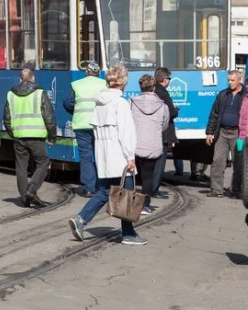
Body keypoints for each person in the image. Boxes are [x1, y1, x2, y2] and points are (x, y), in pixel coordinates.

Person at [68, 64, 146, 246]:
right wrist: (130, 157)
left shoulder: (100, 102)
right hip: (119, 155)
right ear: (123, 81)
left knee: (104, 191)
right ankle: (128, 234)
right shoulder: (121, 103)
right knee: (126, 194)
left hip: (103, 155)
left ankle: (81, 219)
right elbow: (126, 133)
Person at [4, 68, 57, 208]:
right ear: (33, 78)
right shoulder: (39, 93)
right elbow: (49, 116)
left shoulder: (11, 94)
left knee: (21, 167)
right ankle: (31, 191)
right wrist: (52, 136)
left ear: (20, 79)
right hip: (36, 136)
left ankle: (24, 199)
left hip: (19, 136)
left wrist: (13, 133)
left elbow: (6, 119)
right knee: (43, 162)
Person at [63, 61, 104, 198]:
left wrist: (76, 112)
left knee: (86, 156)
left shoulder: (77, 84)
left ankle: (88, 188)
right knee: (100, 155)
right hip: (99, 125)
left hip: (81, 125)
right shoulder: (104, 85)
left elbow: (68, 103)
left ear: (86, 71)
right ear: (98, 72)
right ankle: (102, 186)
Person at [131, 74, 169, 216]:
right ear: (154, 87)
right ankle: (145, 205)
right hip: (153, 144)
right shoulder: (163, 106)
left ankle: (130, 202)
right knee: (148, 176)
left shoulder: (132, 102)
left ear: (141, 87)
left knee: (133, 175)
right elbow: (164, 125)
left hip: (135, 144)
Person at [204, 70, 246, 198]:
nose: (230, 82)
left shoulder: (246, 95)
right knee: (217, 160)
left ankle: (236, 190)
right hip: (222, 132)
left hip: (238, 135)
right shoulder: (223, 95)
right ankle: (216, 190)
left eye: (232, 80)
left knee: (238, 162)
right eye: (228, 80)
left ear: (240, 80)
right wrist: (210, 132)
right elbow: (214, 114)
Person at [151, 67, 178, 194]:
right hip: (162, 132)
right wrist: (176, 110)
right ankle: (154, 188)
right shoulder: (163, 93)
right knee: (159, 163)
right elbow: (170, 112)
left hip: (152, 131)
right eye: (169, 79)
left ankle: (150, 187)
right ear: (165, 79)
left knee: (151, 162)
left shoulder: (152, 89)